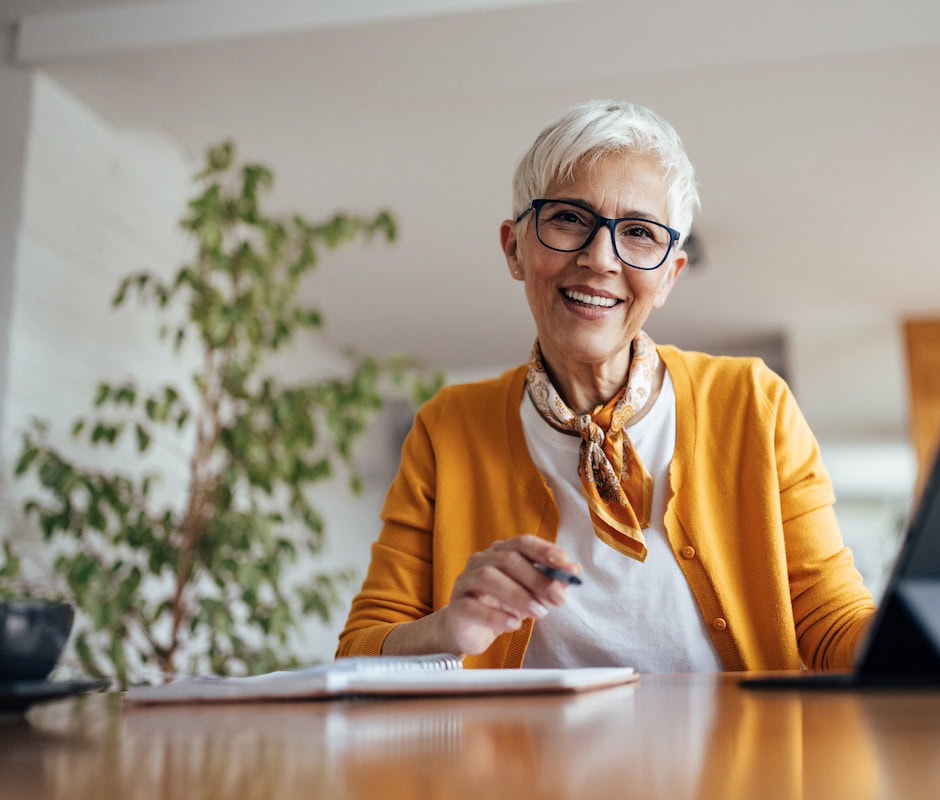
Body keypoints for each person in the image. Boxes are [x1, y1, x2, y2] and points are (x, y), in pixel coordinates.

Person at [337, 100, 876, 672]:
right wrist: (449, 629)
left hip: (738, 761)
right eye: (569, 218)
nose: (599, 258)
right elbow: (360, 649)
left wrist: (924, 633)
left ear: (669, 275)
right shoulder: (446, 429)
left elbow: (830, 621)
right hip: (521, 763)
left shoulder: (754, 403)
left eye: (640, 233)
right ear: (514, 248)